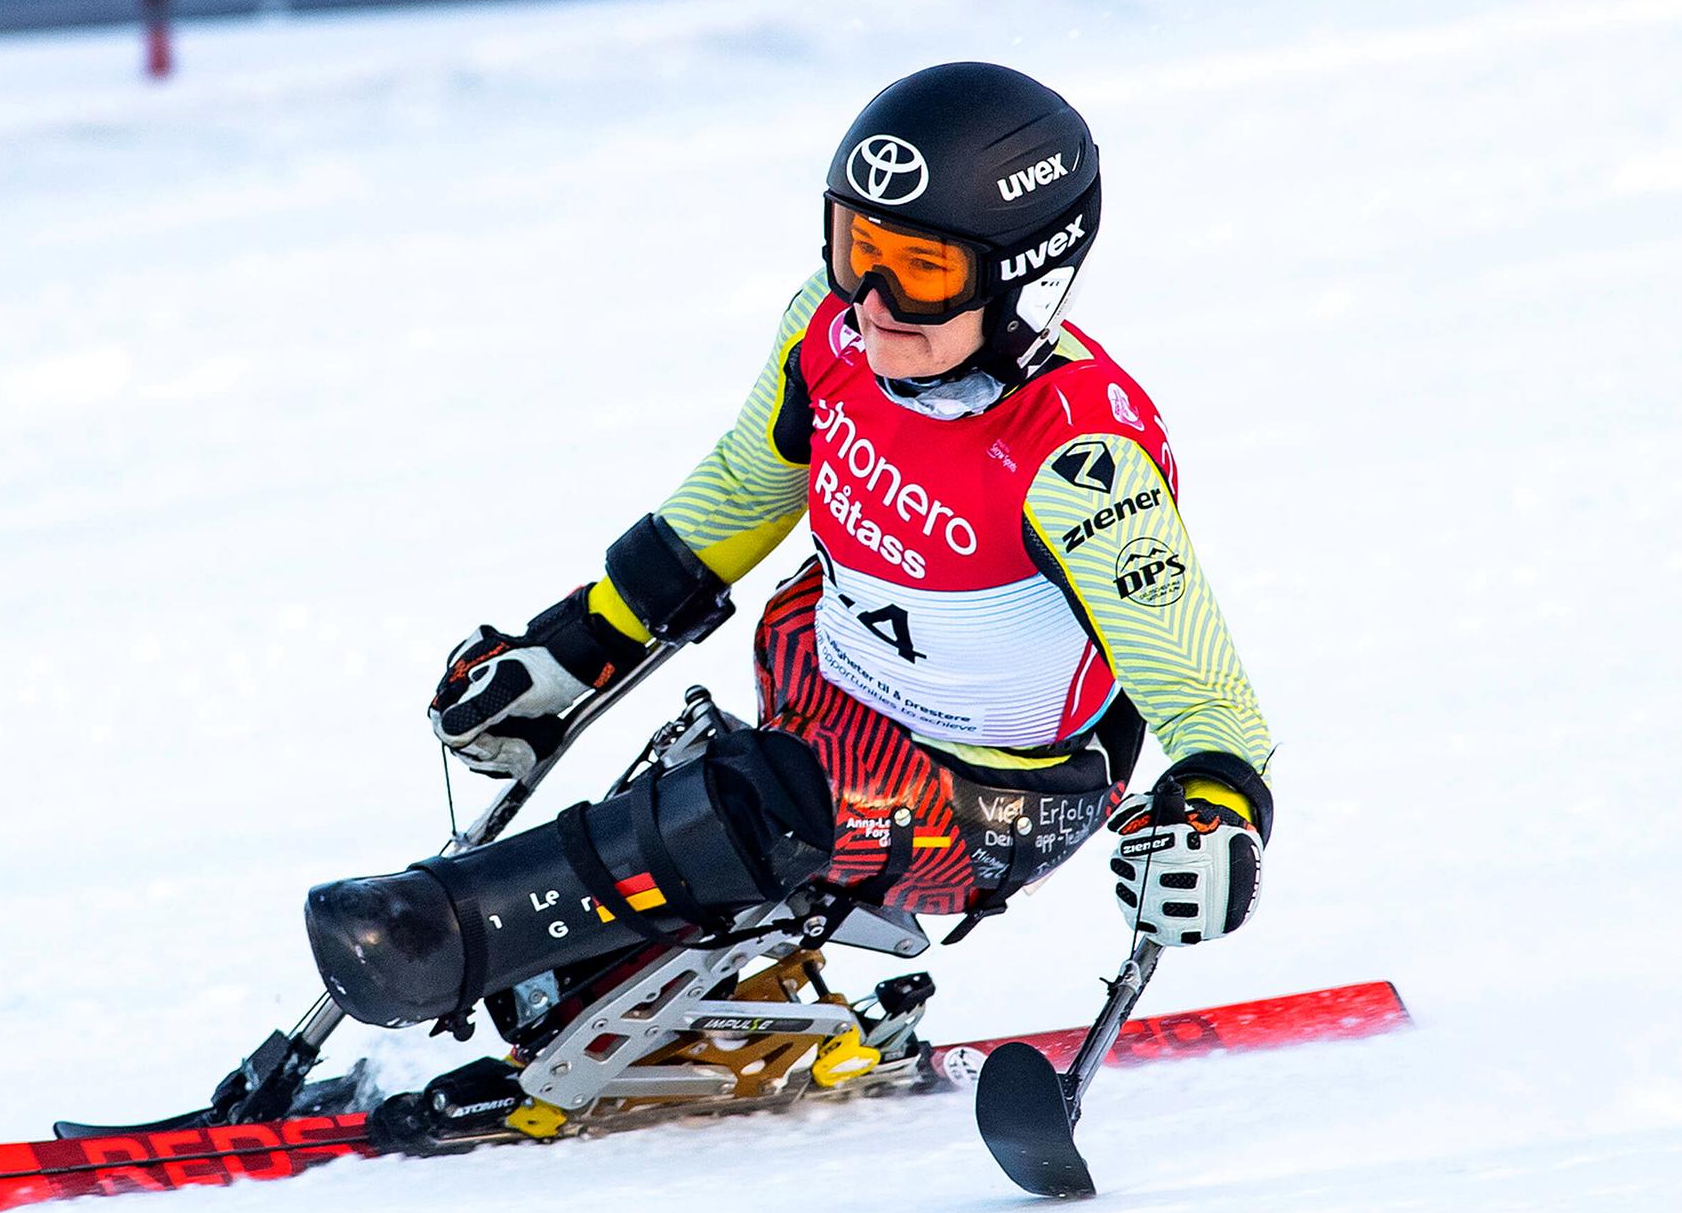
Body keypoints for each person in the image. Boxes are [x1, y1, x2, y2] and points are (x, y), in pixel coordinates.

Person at [306, 61, 1273, 1141]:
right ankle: (650, 1009)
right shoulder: (830, 334)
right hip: (830, 686)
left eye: (923, 271)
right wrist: (573, 649)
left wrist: (1218, 814)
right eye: (859, 250)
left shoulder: (1077, 455)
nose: (876, 305)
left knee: (747, 811)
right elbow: (737, 495)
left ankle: (443, 932)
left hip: (988, 797)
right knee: (716, 782)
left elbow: (1207, 699)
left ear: (1026, 279)